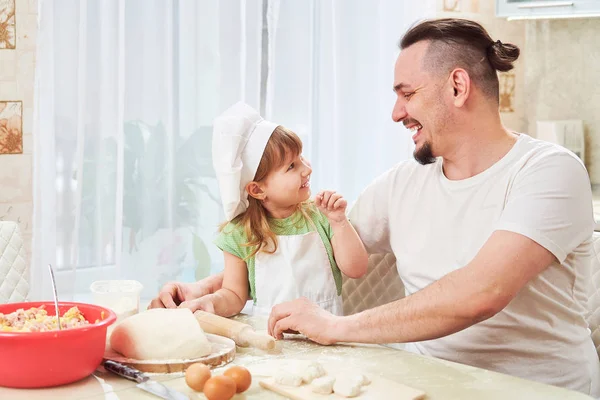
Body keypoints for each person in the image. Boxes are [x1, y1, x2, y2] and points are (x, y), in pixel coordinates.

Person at [150, 19, 599, 395]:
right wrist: (209, 288)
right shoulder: (404, 183)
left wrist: (338, 327)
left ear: (458, 86)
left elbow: (481, 293)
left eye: (407, 93)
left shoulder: (548, 172)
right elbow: (313, 244)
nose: (395, 112)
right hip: (434, 384)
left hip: (537, 390)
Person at [169, 102, 368, 317]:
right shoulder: (240, 233)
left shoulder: (321, 216)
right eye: (291, 166)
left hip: (327, 336)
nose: (307, 169)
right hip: (271, 341)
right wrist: (210, 303)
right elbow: (234, 296)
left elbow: (356, 269)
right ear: (257, 189)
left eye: (301, 157)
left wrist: (339, 222)